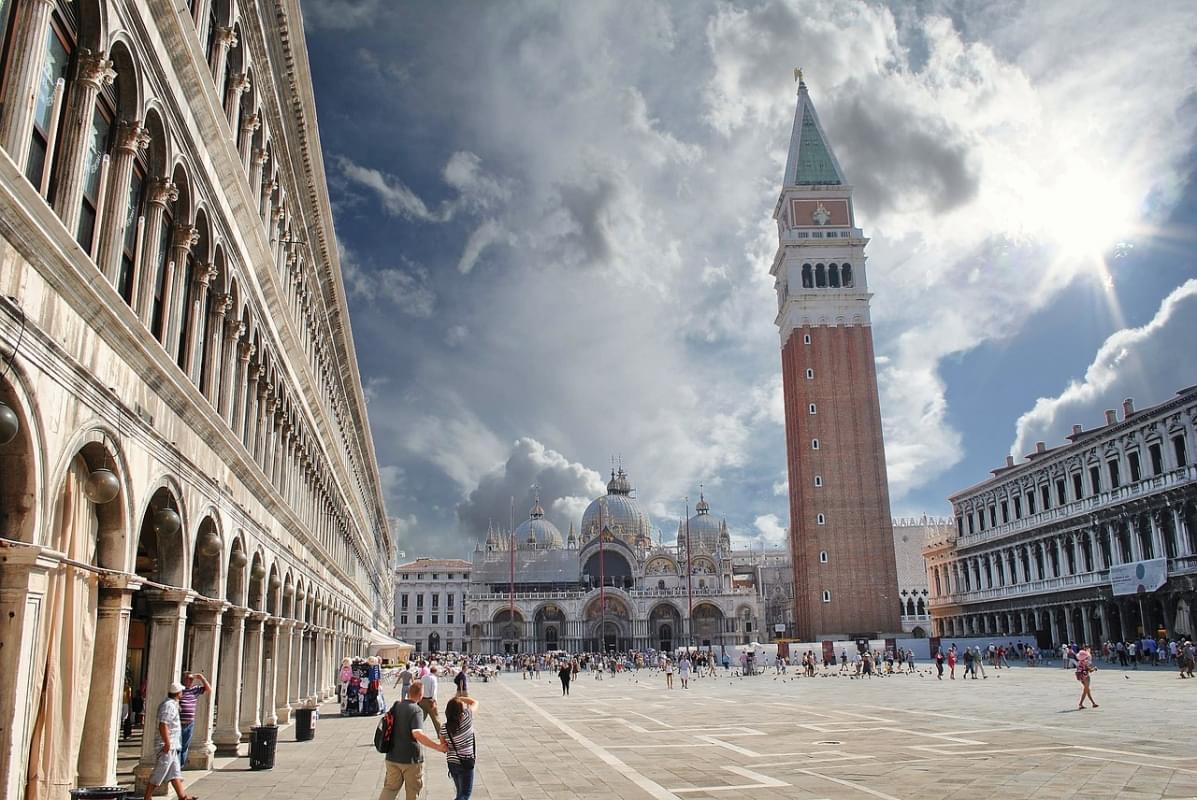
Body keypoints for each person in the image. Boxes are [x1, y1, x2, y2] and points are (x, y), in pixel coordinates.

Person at [379, 682, 447, 800]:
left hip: (392, 756)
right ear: (421, 695)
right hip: (410, 760)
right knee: (412, 791)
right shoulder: (416, 710)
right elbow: (417, 734)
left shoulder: (396, 706)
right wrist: (437, 747)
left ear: (409, 692)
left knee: (390, 788)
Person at [142, 682, 194, 800]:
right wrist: (167, 743)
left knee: (175, 772)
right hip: (167, 744)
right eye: (181, 691)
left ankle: (182, 797)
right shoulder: (168, 706)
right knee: (161, 770)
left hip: (173, 744)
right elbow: (163, 724)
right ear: (178, 693)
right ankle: (147, 797)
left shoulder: (173, 704)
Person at [444, 695, 479, 800]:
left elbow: (444, 747)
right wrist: (460, 697)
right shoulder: (467, 718)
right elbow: (475, 702)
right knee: (465, 795)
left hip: (452, 762)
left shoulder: (444, 728)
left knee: (460, 792)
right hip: (465, 762)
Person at [177, 671, 210, 769]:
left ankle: (180, 767)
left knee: (184, 747)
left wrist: (201, 678)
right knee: (177, 746)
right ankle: (175, 768)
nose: (189, 681)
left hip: (189, 723)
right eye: (187, 678)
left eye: (191, 679)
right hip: (179, 723)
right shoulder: (180, 690)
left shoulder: (194, 690)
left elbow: (208, 689)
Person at [1075, 645, 1098, 709]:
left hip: (1081, 678)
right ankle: (1081, 703)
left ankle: (1093, 703)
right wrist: (1095, 668)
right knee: (1086, 690)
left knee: (1087, 690)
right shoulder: (1085, 662)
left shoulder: (1079, 662)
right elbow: (1090, 670)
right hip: (1086, 677)